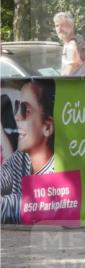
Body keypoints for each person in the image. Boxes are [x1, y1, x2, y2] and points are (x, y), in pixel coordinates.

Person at [1, 80, 56, 226]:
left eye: (26, 110)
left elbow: (9, 208)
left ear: (47, 127)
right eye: (16, 107)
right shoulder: (22, 158)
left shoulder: (58, 172)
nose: (17, 116)